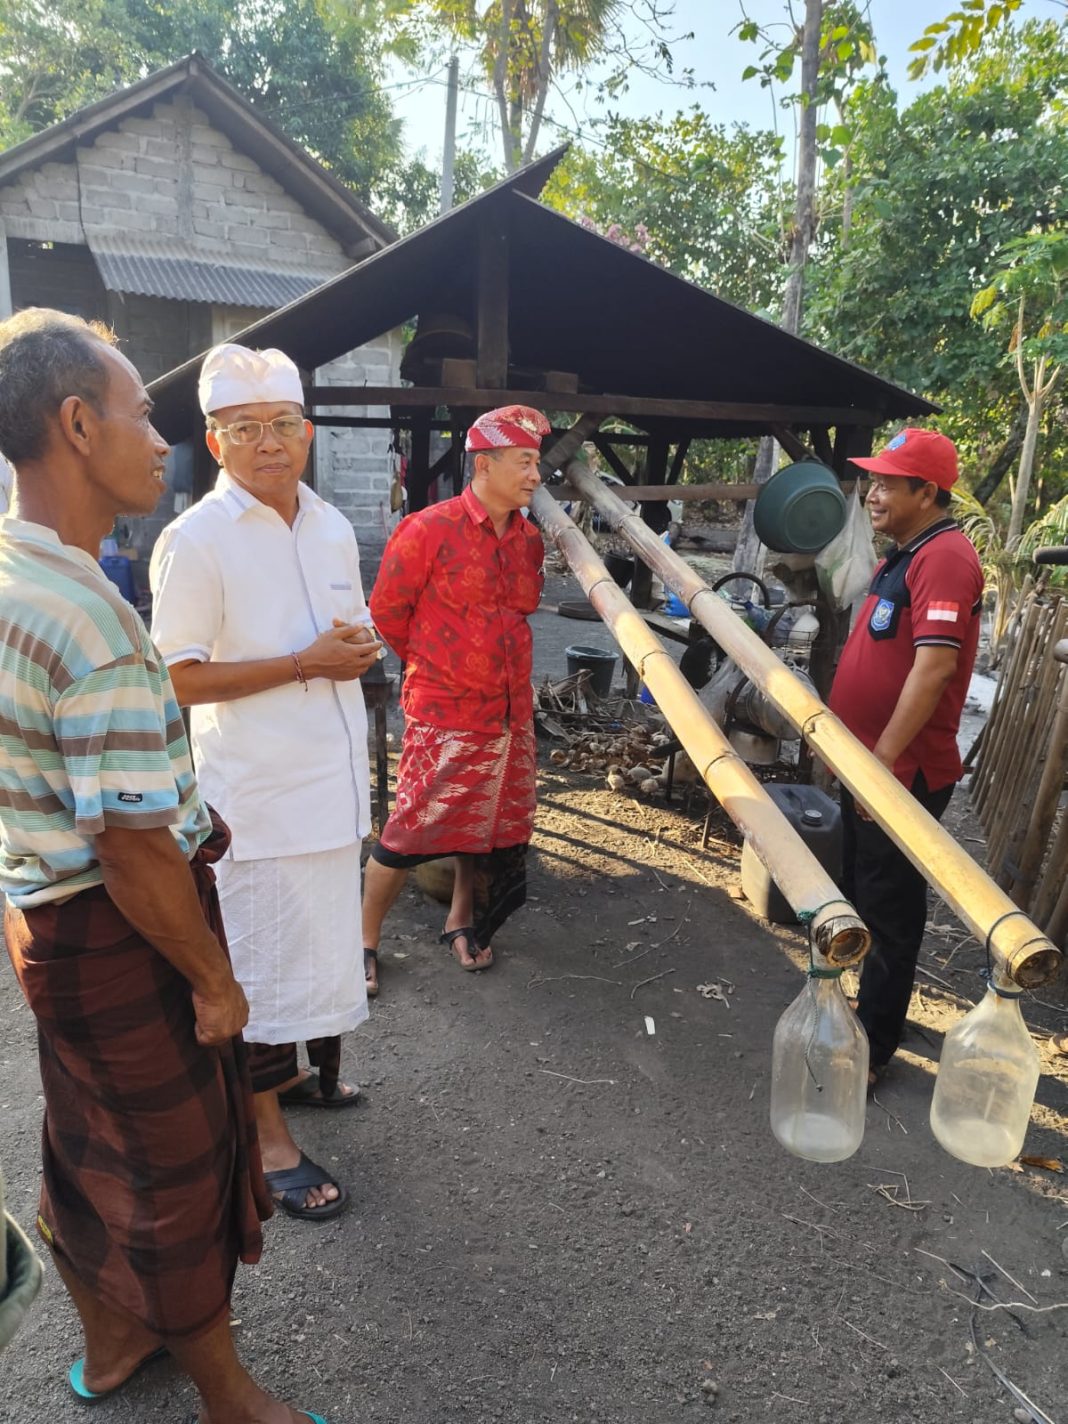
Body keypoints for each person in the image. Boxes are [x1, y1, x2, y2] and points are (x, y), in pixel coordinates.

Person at [0, 308, 329, 1423]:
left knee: (85, 1141)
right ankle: (229, 1393)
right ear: (77, 423)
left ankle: (112, 1343)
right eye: (144, 411)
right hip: (119, 924)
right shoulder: (93, 615)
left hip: (47, 919)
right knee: (178, 1167)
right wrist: (214, 980)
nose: (161, 436)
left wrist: (14, 883)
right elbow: (134, 846)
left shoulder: (12, 574)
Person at [150, 344, 381, 1223]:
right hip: (254, 799)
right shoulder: (194, 541)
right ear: (215, 444)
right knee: (255, 967)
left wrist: (352, 652)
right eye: (244, 429)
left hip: (330, 785)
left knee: (314, 954)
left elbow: (340, 633)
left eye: (283, 425)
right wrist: (300, 663)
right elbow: (173, 677)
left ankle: (314, 1080)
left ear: (308, 432)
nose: (268, 443)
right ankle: (266, 1135)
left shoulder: (325, 524)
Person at [361, 405, 548, 993]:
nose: (536, 476)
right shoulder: (426, 530)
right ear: (485, 465)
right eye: (525, 462)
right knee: (408, 830)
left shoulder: (529, 541)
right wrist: (438, 667)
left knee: (487, 825)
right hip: (444, 711)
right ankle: (363, 940)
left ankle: (462, 918)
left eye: (537, 463)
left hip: (511, 712)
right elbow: (386, 613)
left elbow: (521, 614)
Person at [828, 428, 983, 1088]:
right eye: (873, 480)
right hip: (868, 762)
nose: (873, 492)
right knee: (858, 892)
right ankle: (852, 1012)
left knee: (888, 909)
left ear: (928, 492)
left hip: (900, 770)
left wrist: (879, 762)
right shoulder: (906, 553)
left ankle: (873, 1044)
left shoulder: (944, 557)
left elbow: (936, 666)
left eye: (889, 482)